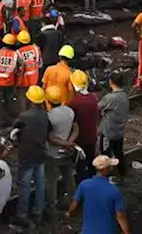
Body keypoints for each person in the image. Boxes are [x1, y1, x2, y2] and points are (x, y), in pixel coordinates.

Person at [13, 86, 49, 227]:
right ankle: (38, 212)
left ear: (29, 100)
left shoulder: (25, 116)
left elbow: (15, 128)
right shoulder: (45, 115)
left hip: (27, 155)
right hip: (40, 154)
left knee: (24, 185)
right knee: (40, 184)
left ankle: (22, 215)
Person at [68, 155, 130, 234]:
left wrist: (69, 213)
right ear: (106, 169)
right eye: (110, 166)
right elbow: (120, 215)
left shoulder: (84, 185)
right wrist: (127, 232)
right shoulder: (114, 191)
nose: (112, 168)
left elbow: (74, 204)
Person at [44, 86, 79, 217]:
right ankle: (73, 202)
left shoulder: (49, 117)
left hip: (53, 154)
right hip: (67, 152)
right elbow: (76, 129)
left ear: (48, 100)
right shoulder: (69, 111)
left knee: (51, 181)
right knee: (69, 178)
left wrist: (65, 143)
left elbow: (50, 138)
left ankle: (51, 207)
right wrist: (70, 142)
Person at [67, 70, 99, 183]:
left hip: (80, 138)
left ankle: (82, 186)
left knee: (80, 166)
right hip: (92, 136)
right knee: (91, 163)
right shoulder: (93, 98)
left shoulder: (74, 102)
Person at [98, 71, 130, 182]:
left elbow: (98, 107)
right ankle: (122, 172)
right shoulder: (125, 96)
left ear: (111, 82)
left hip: (108, 131)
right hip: (119, 130)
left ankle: (106, 176)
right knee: (118, 152)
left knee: (105, 154)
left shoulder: (110, 98)